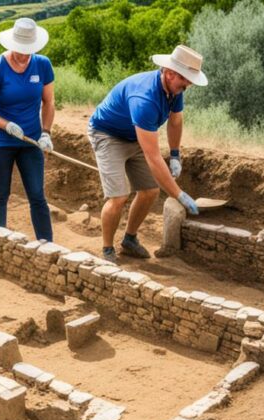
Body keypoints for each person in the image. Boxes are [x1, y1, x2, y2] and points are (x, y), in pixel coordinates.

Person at [87, 45, 208, 263]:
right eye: (186, 79)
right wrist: (179, 195)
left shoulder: (174, 89)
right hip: (107, 135)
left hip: (134, 135)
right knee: (119, 197)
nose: (188, 84)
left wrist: (175, 154)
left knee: (150, 190)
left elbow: (175, 120)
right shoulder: (145, 99)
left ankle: (129, 240)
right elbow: (152, 157)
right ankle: (107, 250)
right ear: (170, 73)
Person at [0, 18, 56, 242]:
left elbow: (49, 103)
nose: (22, 55)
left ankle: (48, 245)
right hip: (1, 141)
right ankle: (0, 241)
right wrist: (6, 125)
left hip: (30, 141)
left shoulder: (42, 65)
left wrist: (46, 132)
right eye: (19, 50)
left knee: (37, 196)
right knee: (1, 194)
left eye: (27, 51)